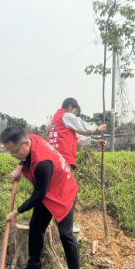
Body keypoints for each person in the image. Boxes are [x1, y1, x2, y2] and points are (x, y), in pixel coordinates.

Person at [0, 126, 81, 269]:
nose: (12, 155)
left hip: (63, 192)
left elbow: (38, 196)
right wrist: (19, 167)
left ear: (25, 144)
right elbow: (23, 158)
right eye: (9, 152)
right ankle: (33, 267)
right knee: (35, 227)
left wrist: (16, 212)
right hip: (48, 190)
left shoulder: (43, 163)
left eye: (14, 152)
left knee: (66, 234)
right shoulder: (29, 138)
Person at [47, 97, 107, 232]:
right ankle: (67, 225)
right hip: (62, 161)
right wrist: (97, 127)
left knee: (58, 192)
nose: (74, 115)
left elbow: (74, 138)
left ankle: (59, 222)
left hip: (55, 160)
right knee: (68, 192)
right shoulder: (66, 115)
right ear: (70, 107)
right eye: (75, 111)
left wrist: (94, 141)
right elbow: (83, 126)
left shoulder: (56, 120)